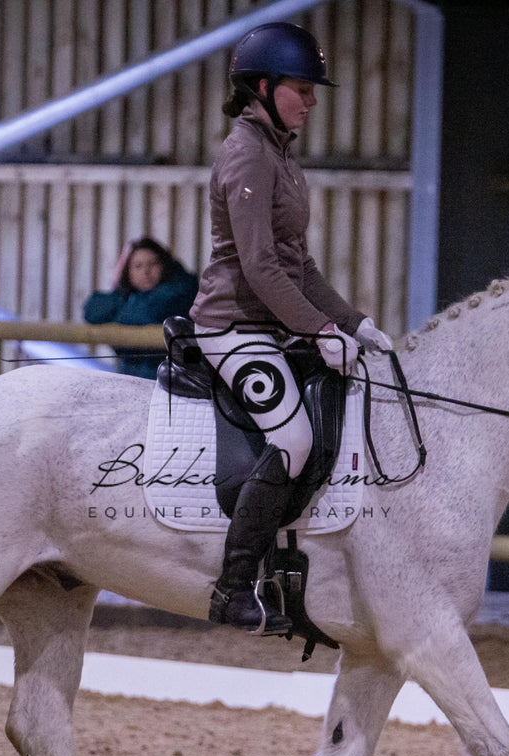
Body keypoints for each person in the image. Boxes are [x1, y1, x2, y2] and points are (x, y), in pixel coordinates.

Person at [190, 22, 394, 636]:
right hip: (231, 325)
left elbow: (299, 266)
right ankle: (233, 585)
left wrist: (356, 324)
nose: (310, 100)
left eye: (312, 90)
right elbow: (259, 266)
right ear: (262, 86)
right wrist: (319, 331)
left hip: (270, 324)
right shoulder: (248, 153)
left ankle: (293, 571)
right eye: (301, 88)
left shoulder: (280, 153)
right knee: (296, 438)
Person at [83, 237, 198, 379]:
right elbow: (92, 311)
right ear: (128, 272)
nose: (146, 272)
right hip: (131, 384)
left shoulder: (183, 289)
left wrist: (117, 316)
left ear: (165, 265)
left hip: (173, 387)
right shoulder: (128, 297)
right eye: (138, 266)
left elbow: (152, 312)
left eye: (153, 264)